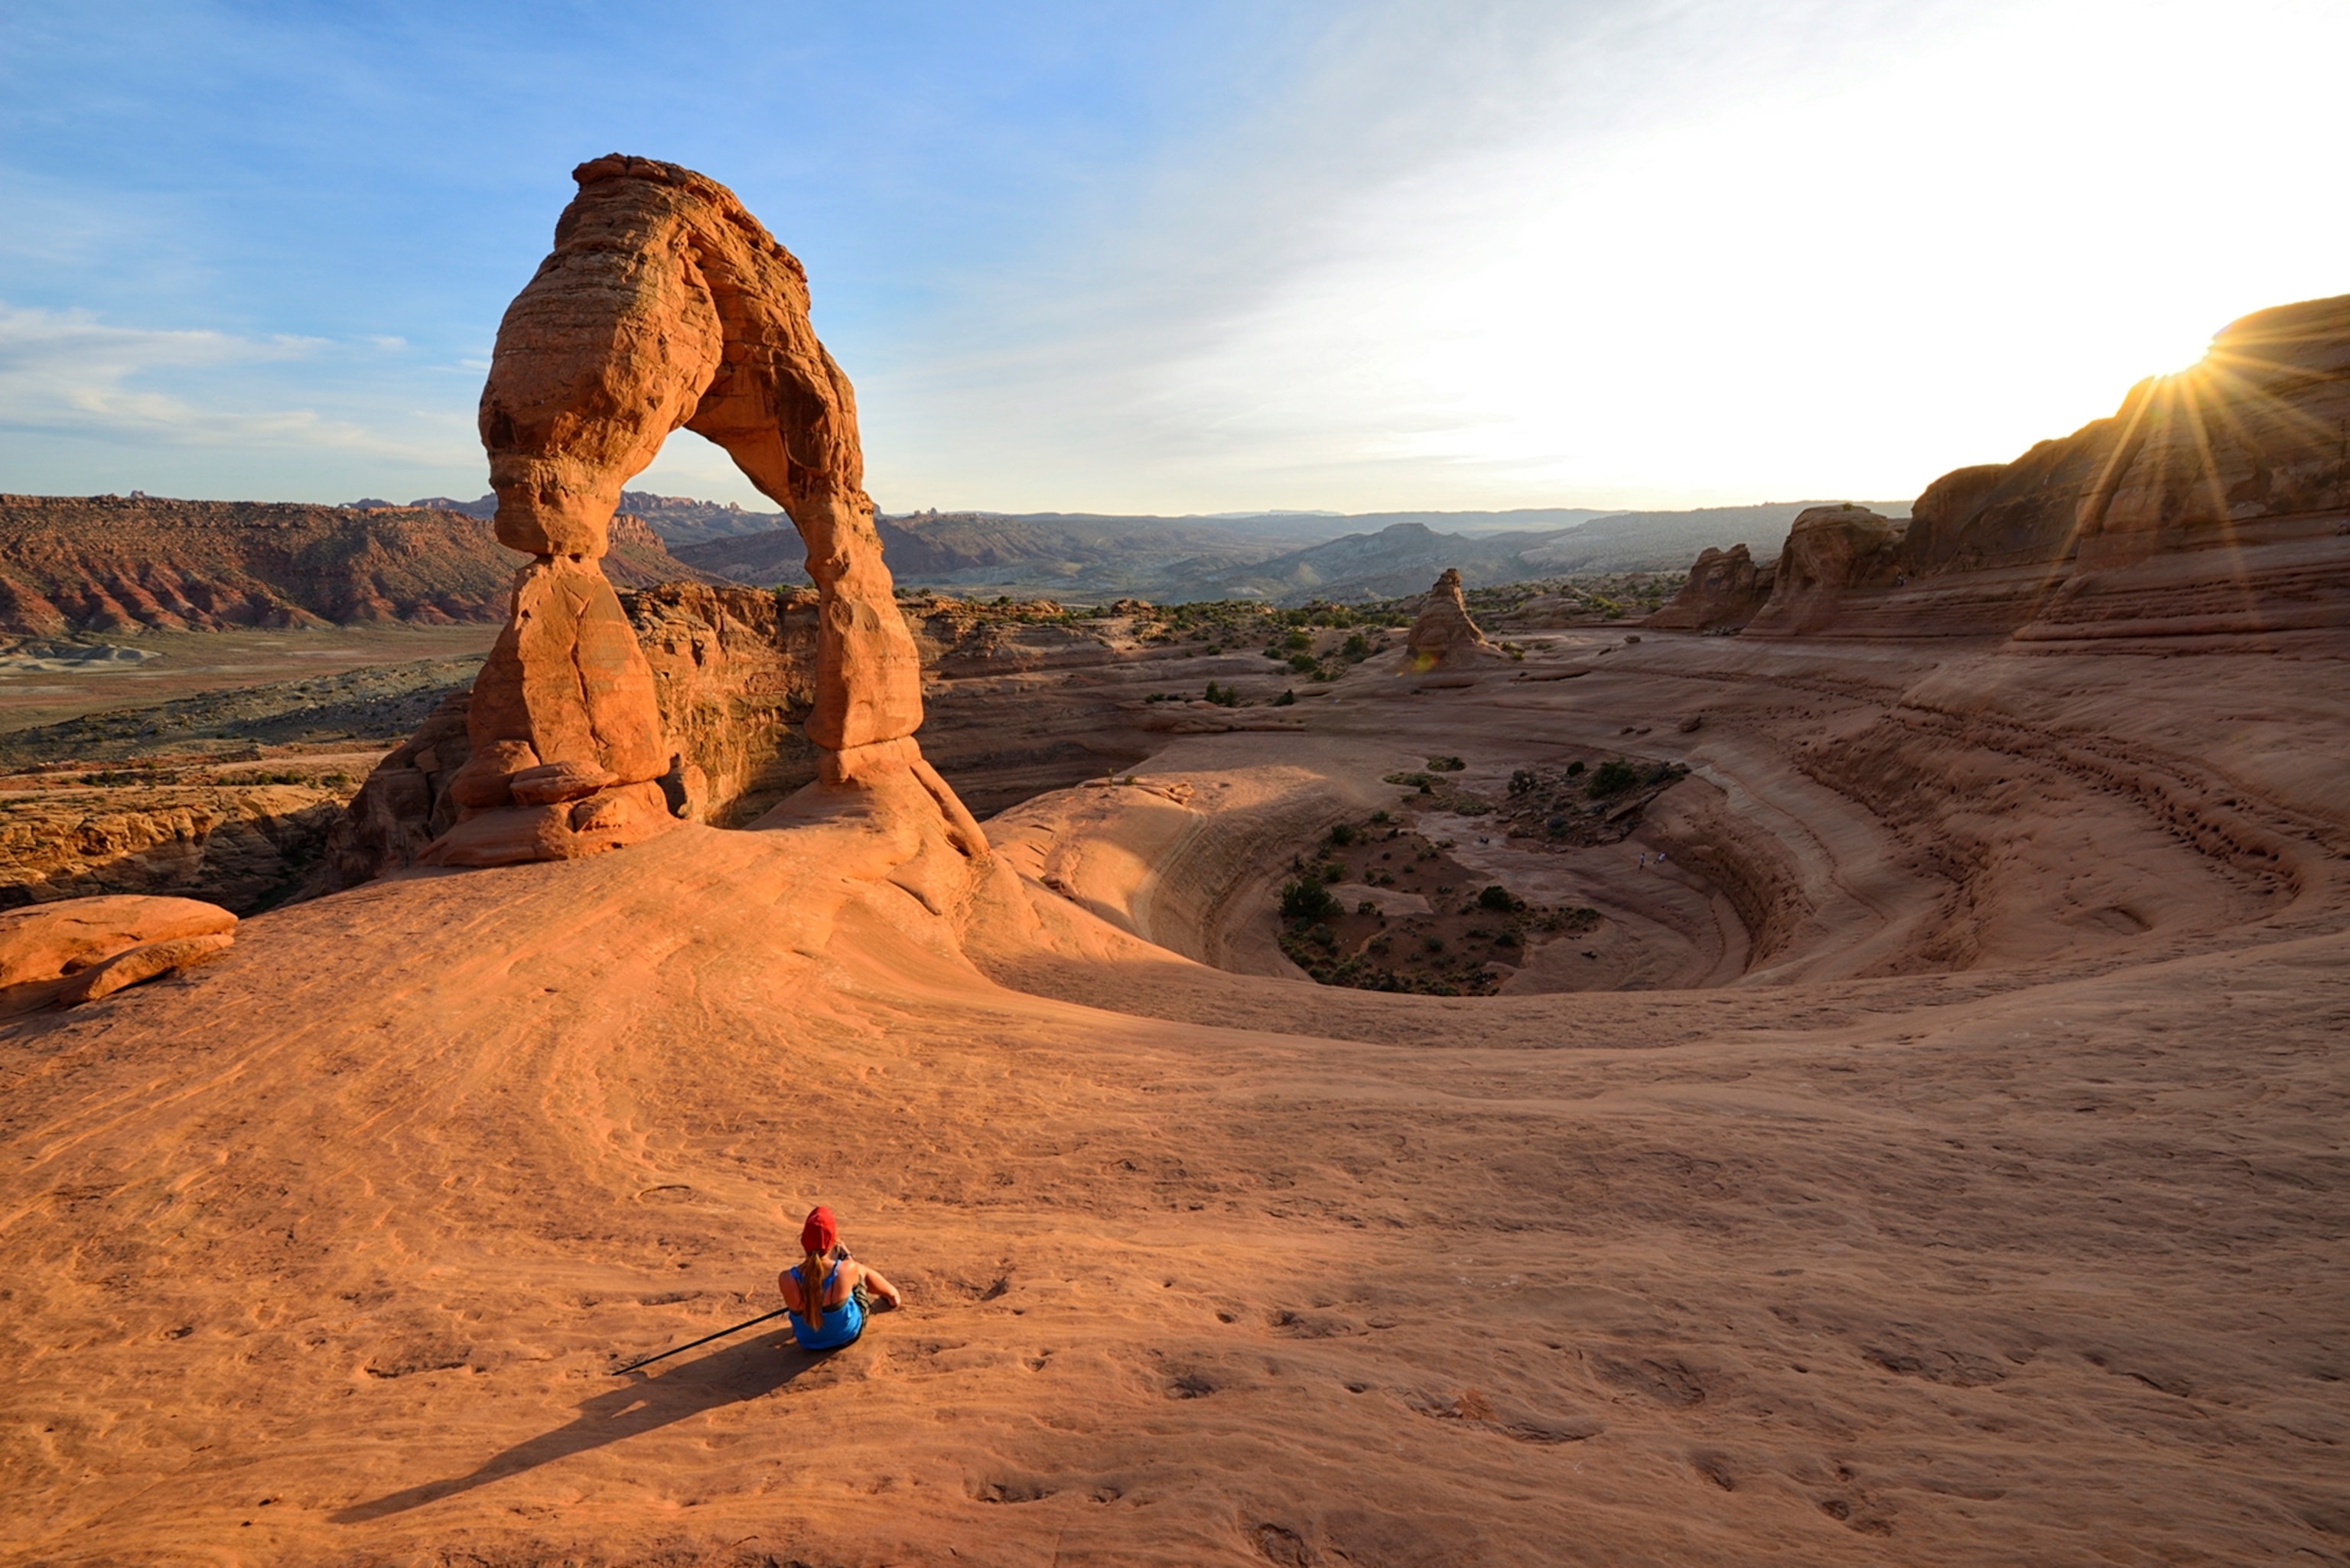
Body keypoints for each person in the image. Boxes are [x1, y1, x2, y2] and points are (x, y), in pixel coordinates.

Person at [779, 1205, 902, 1351]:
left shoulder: (786, 1277)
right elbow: (851, 1267)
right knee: (859, 1270)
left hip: (807, 1342)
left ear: (803, 1241)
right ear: (833, 1242)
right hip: (846, 1336)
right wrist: (847, 1254)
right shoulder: (844, 1269)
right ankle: (892, 1296)